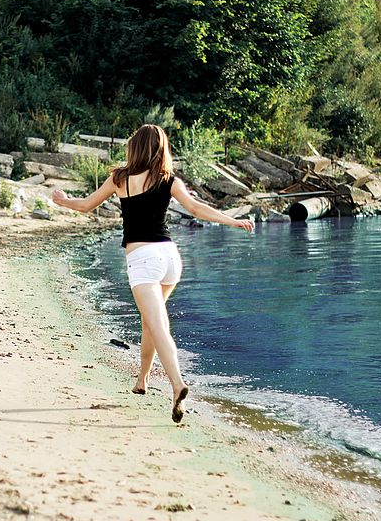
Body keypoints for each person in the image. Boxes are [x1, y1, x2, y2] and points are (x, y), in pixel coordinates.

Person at [52, 124, 254, 423]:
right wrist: (233, 221)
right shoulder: (168, 179)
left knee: (158, 325)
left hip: (143, 259)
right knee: (151, 322)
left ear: (134, 147)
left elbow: (86, 206)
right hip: (170, 258)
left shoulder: (120, 179)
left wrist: (63, 200)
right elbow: (196, 209)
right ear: (161, 149)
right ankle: (142, 381)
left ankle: (177, 384)